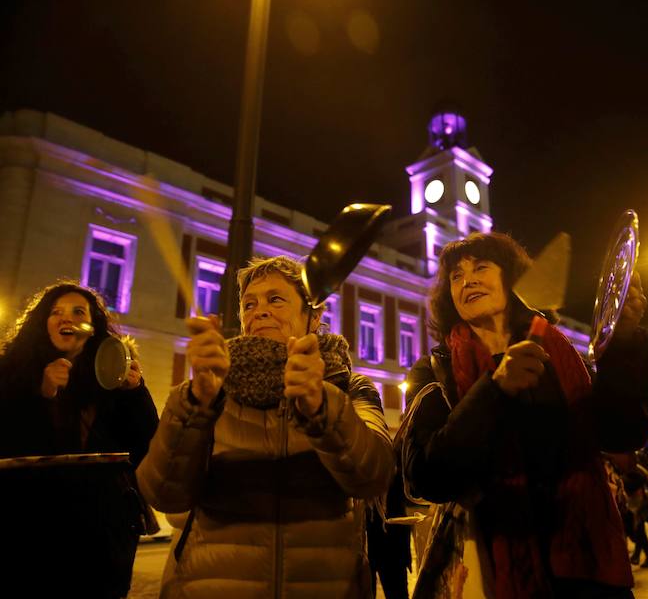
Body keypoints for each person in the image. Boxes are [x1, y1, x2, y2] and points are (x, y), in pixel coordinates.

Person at [402, 232, 648, 598]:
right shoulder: (434, 371)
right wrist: (494, 388)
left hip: (585, 564)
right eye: (456, 275)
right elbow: (429, 476)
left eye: (481, 267)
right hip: (496, 564)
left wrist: (624, 345)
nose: (467, 279)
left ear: (515, 280)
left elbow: (623, 433)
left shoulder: (561, 354)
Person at [137, 256, 395, 599]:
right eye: (249, 304)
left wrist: (320, 406)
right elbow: (163, 493)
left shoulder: (349, 389)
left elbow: (374, 475)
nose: (259, 311)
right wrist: (197, 405)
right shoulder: (208, 390)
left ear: (314, 317)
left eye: (275, 299)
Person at [0, 280, 159, 598]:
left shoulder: (112, 376)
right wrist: (42, 394)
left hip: (102, 534)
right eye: (56, 311)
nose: (66, 318)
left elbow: (148, 447)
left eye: (78, 311)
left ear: (93, 325)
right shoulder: (12, 371)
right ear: (43, 322)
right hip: (27, 529)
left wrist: (135, 393)